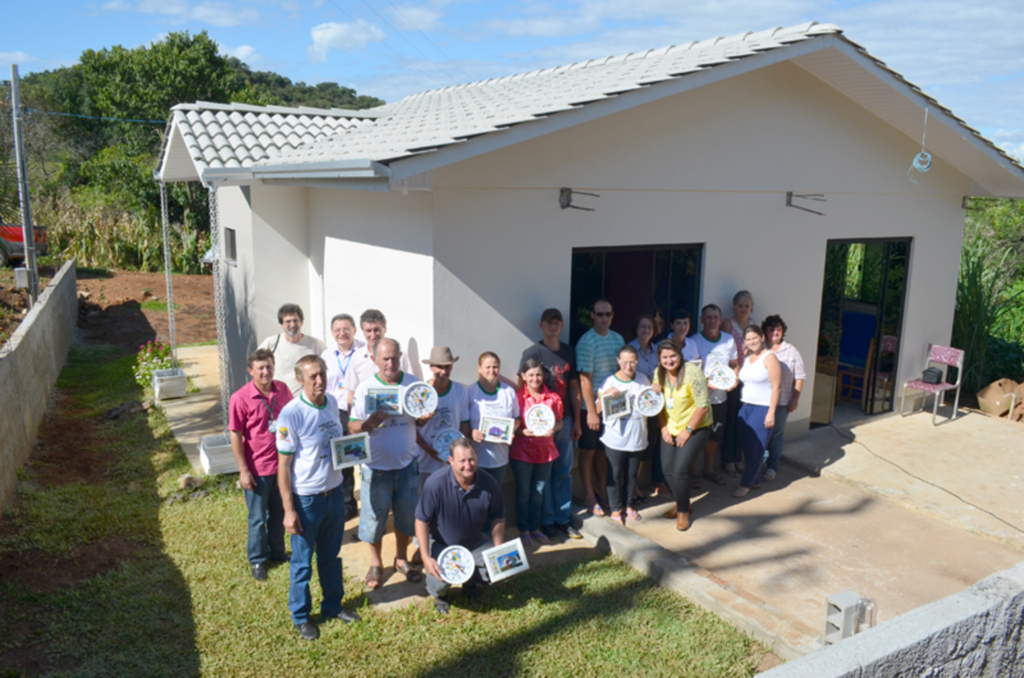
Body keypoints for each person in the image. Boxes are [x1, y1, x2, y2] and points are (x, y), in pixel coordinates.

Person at [276, 355, 360, 641]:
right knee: (302, 562)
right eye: (312, 376)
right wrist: (289, 510)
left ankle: (333, 606)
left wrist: (358, 446)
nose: (320, 380)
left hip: (334, 494)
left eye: (322, 374)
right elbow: (283, 466)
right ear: (300, 380)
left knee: (330, 556)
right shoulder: (292, 414)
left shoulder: (333, 403)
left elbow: (337, 446)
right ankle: (301, 617)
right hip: (307, 501)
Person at [350, 338, 428, 591]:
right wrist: (366, 425)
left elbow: (419, 423)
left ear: (401, 356)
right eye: (385, 358)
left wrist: (425, 419)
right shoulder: (365, 387)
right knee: (374, 519)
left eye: (394, 357)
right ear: (375, 359)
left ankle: (401, 559)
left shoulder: (414, 384)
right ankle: (376, 563)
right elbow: (351, 426)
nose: (390, 363)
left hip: (407, 465)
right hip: (375, 468)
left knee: (406, 518)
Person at [416, 438, 506, 614]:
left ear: (477, 456)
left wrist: (498, 549)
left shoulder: (489, 483)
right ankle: (441, 597)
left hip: (474, 542)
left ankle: (470, 584)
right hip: (442, 545)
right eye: (462, 461)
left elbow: (498, 517)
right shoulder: (435, 484)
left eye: (471, 459)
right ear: (451, 461)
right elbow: (421, 521)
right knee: (439, 583)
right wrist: (426, 557)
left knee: (494, 570)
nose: (467, 465)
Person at [229, 348, 293, 581]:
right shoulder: (240, 398)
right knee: (257, 518)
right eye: (260, 368)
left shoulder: (283, 390)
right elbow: (235, 434)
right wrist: (243, 470)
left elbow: (294, 417)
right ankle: (257, 561)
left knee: (278, 513)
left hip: (282, 466)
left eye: (269, 366)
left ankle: (277, 552)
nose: (266, 372)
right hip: (257, 469)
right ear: (251, 371)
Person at [519, 308, 582, 540]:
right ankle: (546, 521)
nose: (553, 327)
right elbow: (522, 384)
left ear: (562, 326)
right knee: (543, 472)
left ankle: (563, 520)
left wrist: (577, 421)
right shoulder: (532, 351)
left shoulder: (568, 351)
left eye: (557, 323)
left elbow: (574, 388)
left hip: (563, 420)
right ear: (541, 325)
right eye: (549, 323)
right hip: (538, 422)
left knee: (563, 471)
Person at [655, 339, 713, 531]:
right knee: (667, 470)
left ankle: (682, 512)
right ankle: (683, 502)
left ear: (680, 355)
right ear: (659, 358)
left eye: (673, 356)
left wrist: (687, 431)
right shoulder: (658, 373)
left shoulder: (692, 373)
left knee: (680, 470)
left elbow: (703, 406)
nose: (669, 360)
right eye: (665, 357)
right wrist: (663, 428)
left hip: (695, 427)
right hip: (670, 427)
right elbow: (658, 404)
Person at [576, 299, 625, 515]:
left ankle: (601, 489)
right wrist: (592, 413)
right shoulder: (586, 342)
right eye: (600, 314)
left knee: (604, 450)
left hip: (613, 406)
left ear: (612, 315)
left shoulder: (618, 339)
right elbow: (585, 379)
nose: (604, 318)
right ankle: (588, 493)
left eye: (608, 314)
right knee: (588, 452)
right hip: (592, 408)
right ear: (592, 316)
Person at [510, 358, 563, 546]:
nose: (535, 378)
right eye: (531, 375)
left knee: (539, 492)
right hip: (522, 452)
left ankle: (535, 527)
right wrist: (520, 431)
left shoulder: (553, 398)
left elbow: (559, 422)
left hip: (545, 452)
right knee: (524, 492)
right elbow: (509, 425)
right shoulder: (516, 397)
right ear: (523, 376)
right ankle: (523, 528)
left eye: (538, 374)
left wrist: (553, 429)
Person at [597, 345, 650, 525]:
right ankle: (615, 509)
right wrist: (606, 396)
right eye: (625, 362)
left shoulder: (643, 379)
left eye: (632, 362)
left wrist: (656, 391)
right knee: (615, 474)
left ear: (637, 361)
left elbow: (651, 404)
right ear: (618, 361)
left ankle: (628, 506)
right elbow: (597, 408)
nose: (629, 366)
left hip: (637, 437)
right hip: (615, 438)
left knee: (632, 474)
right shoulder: (609, 382)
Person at [321, 313, 364, 520]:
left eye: (346, 329)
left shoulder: (365, 352)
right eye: (337, 330)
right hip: (337, 413)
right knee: (345, 460)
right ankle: (348, 504)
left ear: (354, 330)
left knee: (364, 459)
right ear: (332, 333)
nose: (342, 333)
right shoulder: (326, 356)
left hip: (359, 414)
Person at [691, 304, 739, 483]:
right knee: (696, 436)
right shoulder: (694, 341)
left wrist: (735, 377)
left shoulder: (728, 340)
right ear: (702, 320)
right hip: (699, 399)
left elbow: (734, 363)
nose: (712, 321)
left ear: (720, 320)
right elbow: (691, 371)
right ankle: (694, 473)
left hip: (720, 398)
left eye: (715, 317)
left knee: (714, 435)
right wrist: (704, 384)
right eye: (708, 317)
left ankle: (709, 470)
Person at [733, 326, 781, 498]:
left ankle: (746, 484)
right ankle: (755, 479)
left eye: (754, 338)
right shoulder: (747, 358)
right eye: (748, 339)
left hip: (762, 408)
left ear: (761, 337)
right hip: (745, 407)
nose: (752, 342)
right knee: (746, 445)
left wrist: (771, 412)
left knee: (756, 448)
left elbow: (776, 387)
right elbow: (743, 381)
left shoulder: (769, 357)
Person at [762, 315, 805, 482]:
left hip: (781, 401)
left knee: (776, 434)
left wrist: (795, 398)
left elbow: (800, 376)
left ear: (783, 331)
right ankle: (761, 463)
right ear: (765, 330)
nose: (775, 332)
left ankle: (772, 467)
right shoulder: (760, 348)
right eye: (771, 329)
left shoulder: (791, 351)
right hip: (761, 401)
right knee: (762, 434)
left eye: (778, 329)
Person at [342, 309, 414, 409]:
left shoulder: (401, 357)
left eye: (376, 330)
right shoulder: (357, 357)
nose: (373, 335)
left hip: (397, 417)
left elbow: (411, 387)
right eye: (368, 331)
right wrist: (351, 421)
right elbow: (352, 393)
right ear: (362, 332)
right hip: (368, 419)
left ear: (384, 329)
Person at [628, 314, 667, 499]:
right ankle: (630, 488)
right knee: (634, 447)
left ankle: (634, 485)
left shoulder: (656, 351)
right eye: (642, 327)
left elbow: (661, 375)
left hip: (652, 407)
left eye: (649, 328)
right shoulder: (629, 349)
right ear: (636, 329)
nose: (646, 330)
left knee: (645, 446)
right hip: (634, 408)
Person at [468, 352, 520, 487]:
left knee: (495, 496)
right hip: (475, 459)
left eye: (495, 367)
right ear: (479, 368)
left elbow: (517, 419)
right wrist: (472, 432)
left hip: (500, 459)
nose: (492, 371)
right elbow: (462, 422)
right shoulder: (470, 392)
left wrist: (509, 432)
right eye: (488, 367)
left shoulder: (508, 392)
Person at [258, 304, 327, 396]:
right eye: (288, 321)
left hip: (306, 401)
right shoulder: (272, 343)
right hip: (277, 401)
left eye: (295, 320)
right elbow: (256, 366)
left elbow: (329, 366)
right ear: (281, 325)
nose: (292, 324)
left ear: (301, 322)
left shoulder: (315, 344)